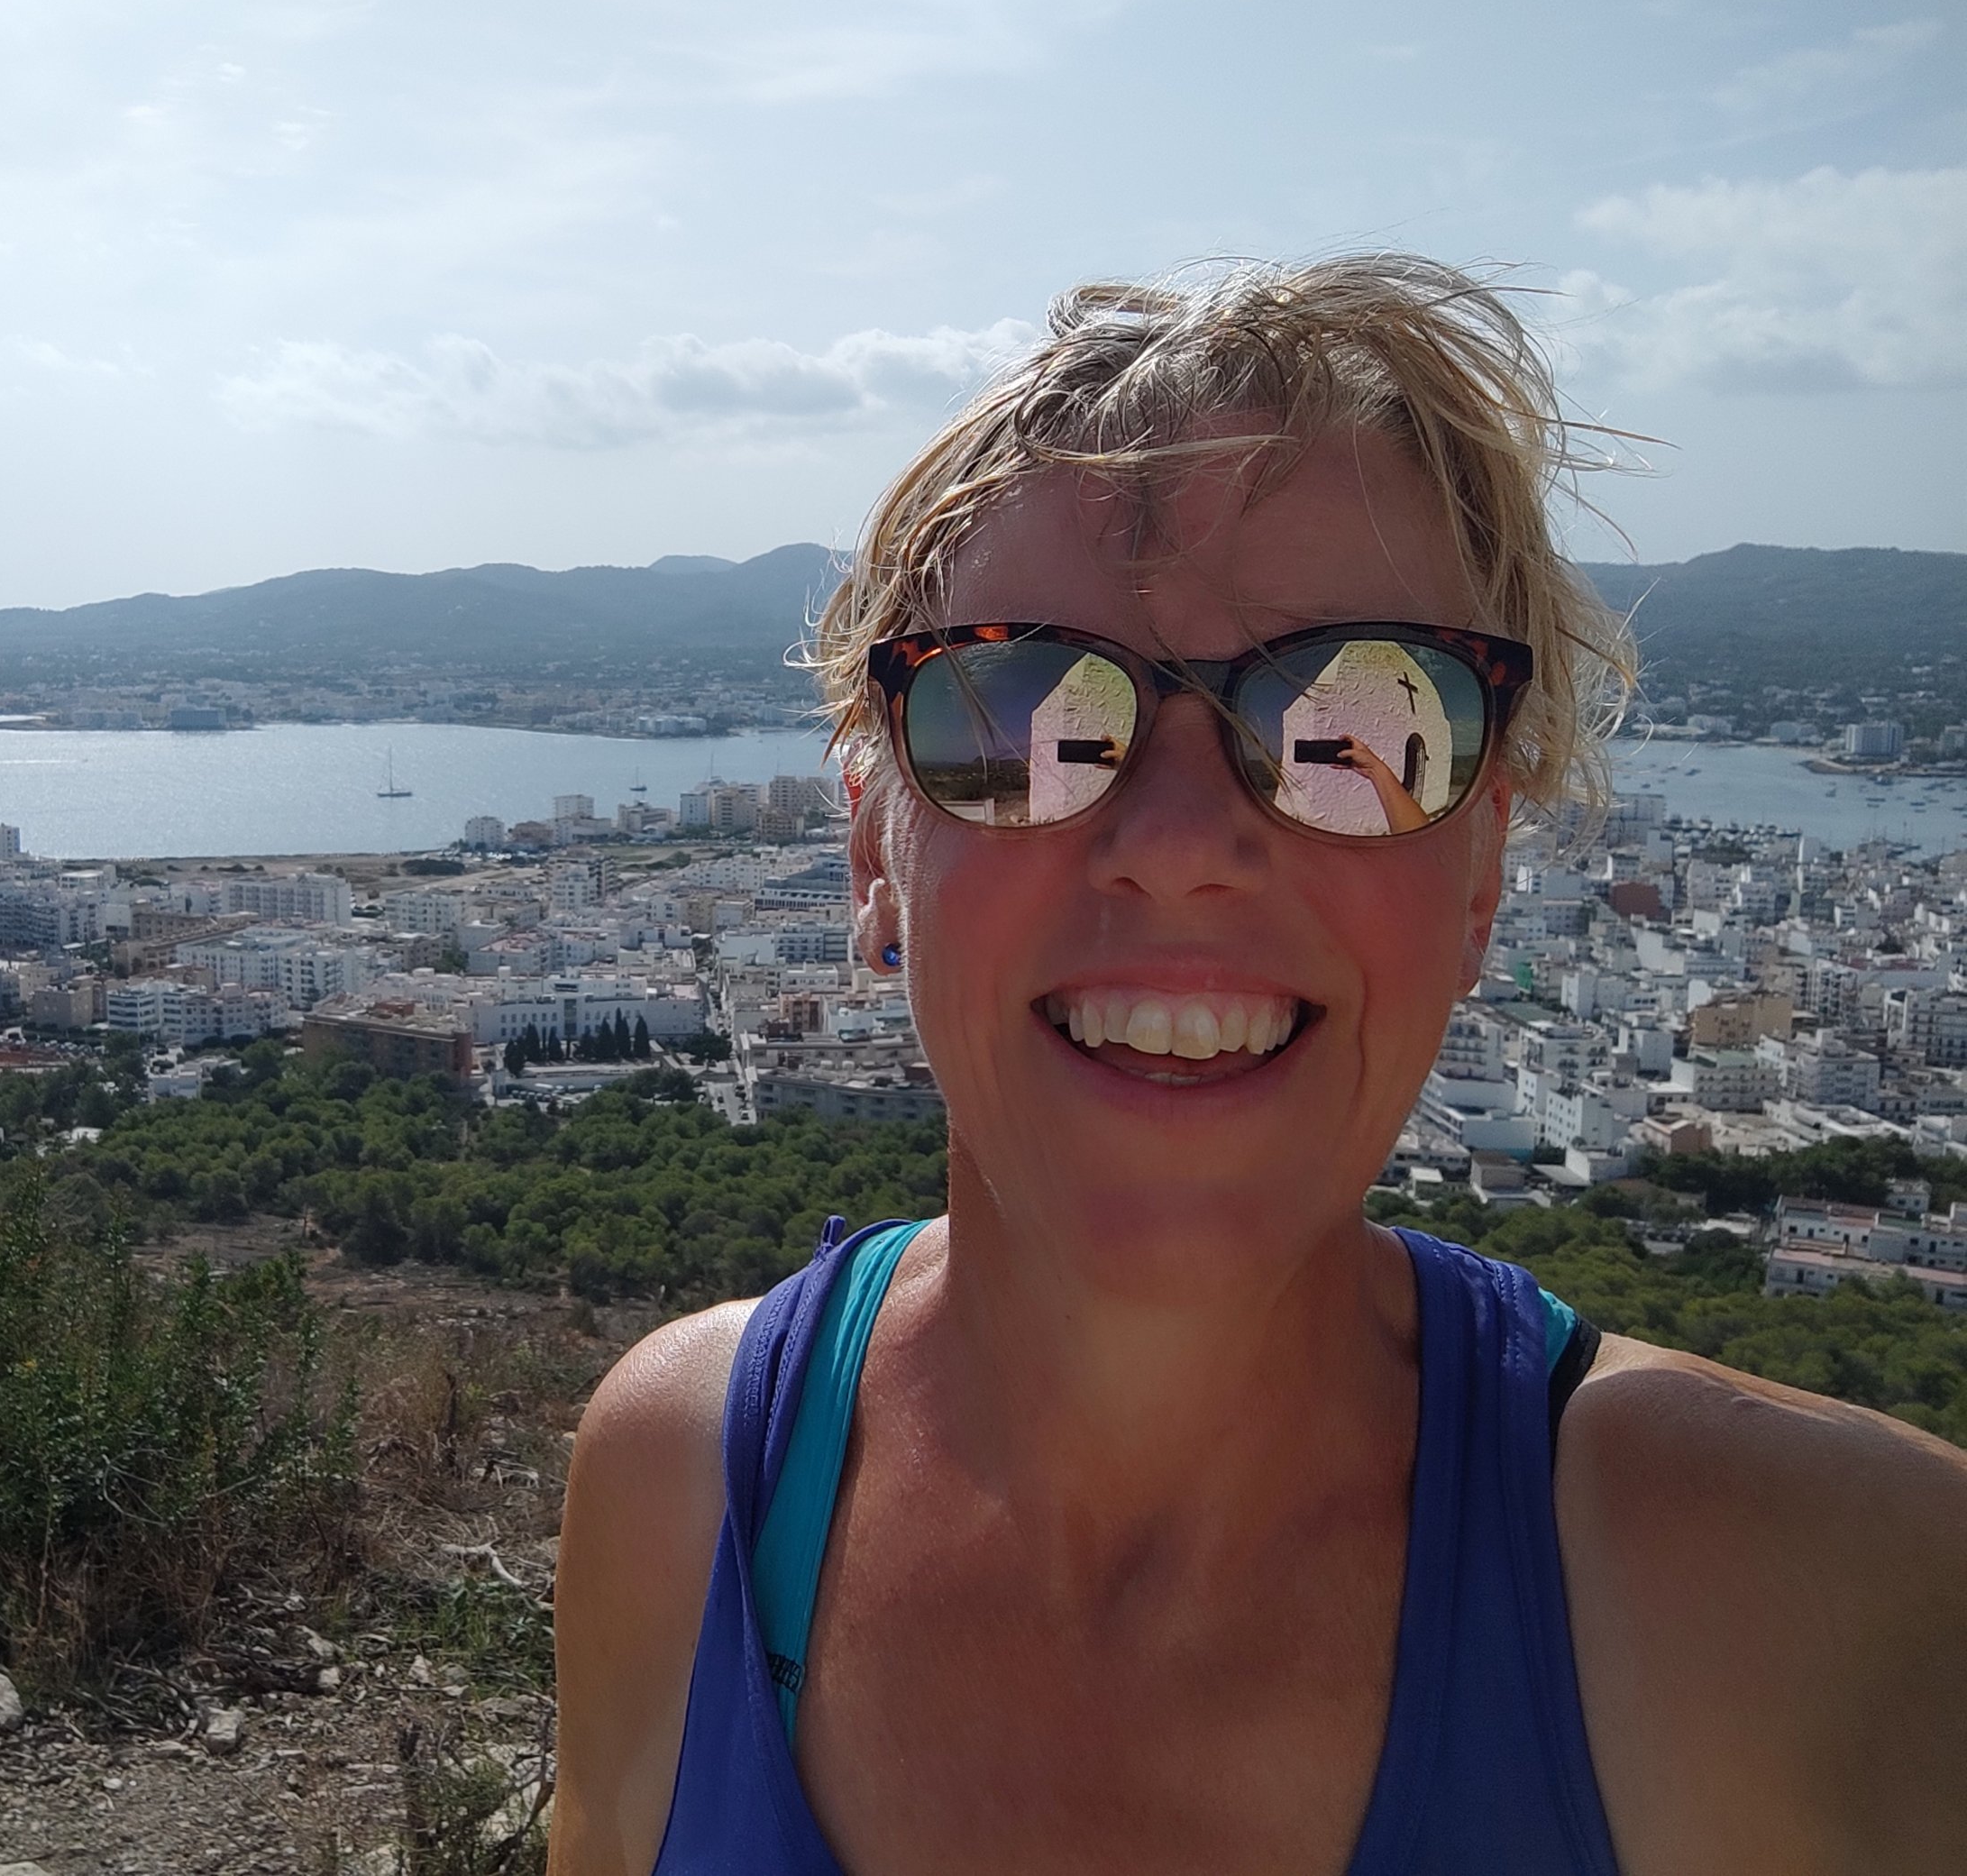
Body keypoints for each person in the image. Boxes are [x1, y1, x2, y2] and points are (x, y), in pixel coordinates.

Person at [549, 256, 1967, 1875]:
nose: (1179, 844)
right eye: (1018, 716)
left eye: (1359, 730)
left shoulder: (1825, 1602)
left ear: (1482, 877)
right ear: (876, 853)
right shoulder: (682, 1486)